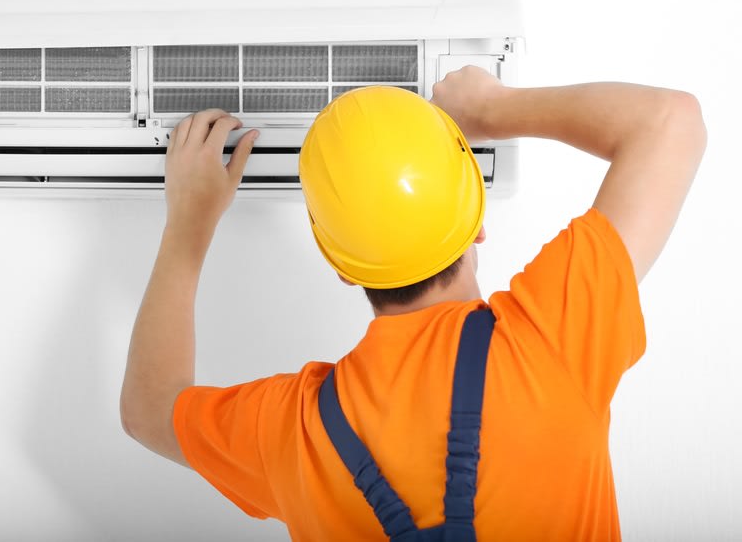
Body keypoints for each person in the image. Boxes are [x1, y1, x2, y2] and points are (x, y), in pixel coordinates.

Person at [120, 66, 706, 541]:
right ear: (477, 222)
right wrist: (491, 108)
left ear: (341, 267)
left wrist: (189, 223)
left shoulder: (292, 431)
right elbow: (670, 122)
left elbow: (148, 410)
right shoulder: (550, 340)